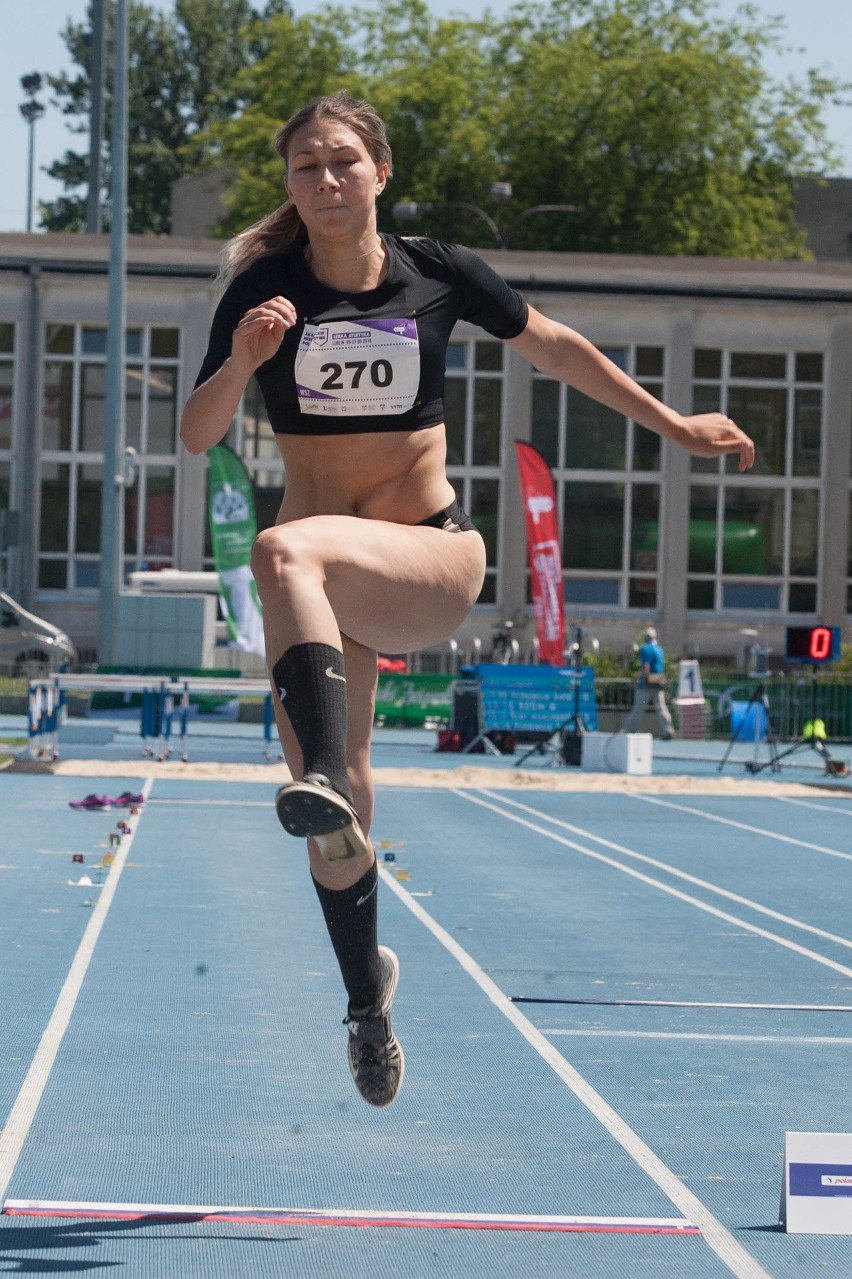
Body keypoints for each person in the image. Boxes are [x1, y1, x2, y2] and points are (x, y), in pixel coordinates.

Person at [179, 90, 755, 1109]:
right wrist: (241, 362)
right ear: (290, 187)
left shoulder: (435, 272)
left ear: (380, 172)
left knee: (279, 549)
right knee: (336, 811)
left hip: (425, 561)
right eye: (305, 167)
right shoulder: (263, 292)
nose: (324, 180)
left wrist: (671, 423)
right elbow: (196, 433)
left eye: (342, 161)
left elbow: (557, 346)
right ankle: (368, 1002)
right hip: (321, 589)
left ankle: (315, 773)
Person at [625, 626, 675, 739]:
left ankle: (630, 729)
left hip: (646, 684)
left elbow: (646, 665)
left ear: (645, 637)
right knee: (661, 707)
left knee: (639, 706)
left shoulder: (645, 649)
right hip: (658, 681)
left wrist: (642, 678)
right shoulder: (659, 649)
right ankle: (668, 730)